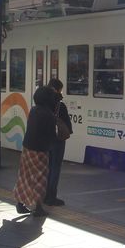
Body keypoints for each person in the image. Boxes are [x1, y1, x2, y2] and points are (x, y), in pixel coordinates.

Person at [13, 86, 59, 217]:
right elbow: (52, 135)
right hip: (40, 150)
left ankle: (20, 203)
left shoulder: (34, 110)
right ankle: (38, 207)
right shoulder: (48, 114)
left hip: (27, 147)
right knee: (40, 178)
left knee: (24, 176)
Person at [45, 78, 73, 206]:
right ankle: (51, 196)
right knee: (55, 167)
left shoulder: (41, 103)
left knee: (46, 167)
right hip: (57, 140)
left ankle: (44, 194)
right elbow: (67, 124)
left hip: (45, 140)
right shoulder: (59, 105)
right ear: (57, 90)